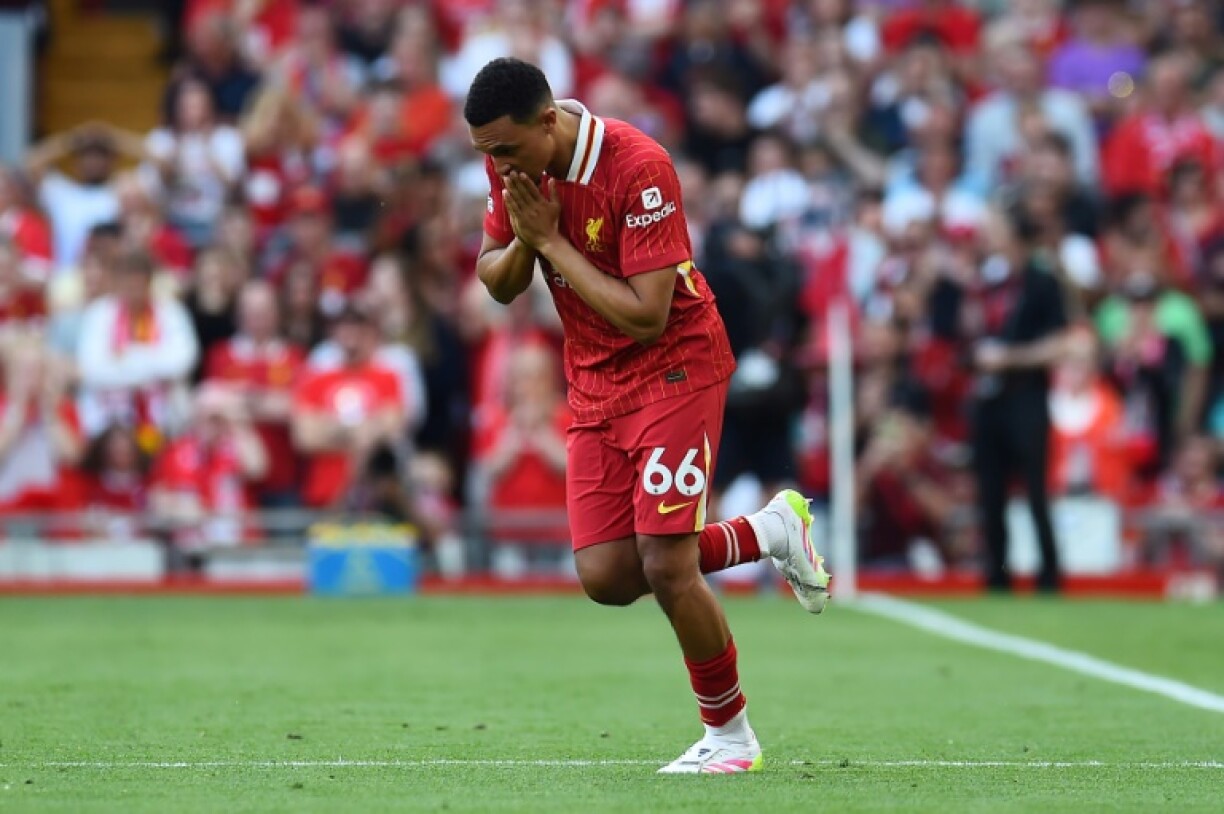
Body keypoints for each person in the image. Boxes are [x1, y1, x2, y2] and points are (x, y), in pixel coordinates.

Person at [465, 57, 829, 775]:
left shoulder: (639, 167)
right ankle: (769, 531)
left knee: (666, 564)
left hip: (674, 368)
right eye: (487, 153)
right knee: (605, 574)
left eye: (505, 149)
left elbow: (645, 315)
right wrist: (529, 237)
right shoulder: (512, 160)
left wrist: (550, 240)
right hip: (594, 381)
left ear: (548, 122)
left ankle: (730, 736)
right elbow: (495, 277)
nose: (498, 166)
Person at [968, 204, 1069, 593]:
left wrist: (1009, 358)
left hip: (1025, 395)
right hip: (988, 398)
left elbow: (1060, 341)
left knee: (1035, 490)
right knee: (990, 491)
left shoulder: (1042, 283)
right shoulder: (989, 282)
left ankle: (1049, 575)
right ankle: (997, 575)